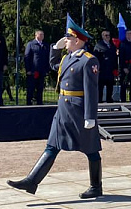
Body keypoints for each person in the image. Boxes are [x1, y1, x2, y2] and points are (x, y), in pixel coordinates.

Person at [7, 16, 102, 198]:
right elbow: (53, 65)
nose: (65, 41)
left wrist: (90, 116)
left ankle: (96, 186)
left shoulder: (88, 60)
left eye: (68, 38)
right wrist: (55, 49)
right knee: (52, 146)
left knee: (91, 149)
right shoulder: (67, 58)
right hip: (63, 111)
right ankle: (31, 181)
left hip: (79, 111)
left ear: (77, 40)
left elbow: (92, 90)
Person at [24, 29, 51, 105]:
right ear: (36, 35)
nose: (42, 36)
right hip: (32, 71)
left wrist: (47, 69)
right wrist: (28, 69)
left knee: (40, 89)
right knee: (31, 89)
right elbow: (27, 57)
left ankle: (40, 103)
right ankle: (29, 104)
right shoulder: (31, 44)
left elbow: (47, 58)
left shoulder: (45, 45)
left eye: (43, 35)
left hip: (42, 71)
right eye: (41, 34)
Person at [94, 30, 118, 103]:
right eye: (106, 35)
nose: (108, 37)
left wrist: (115, 68)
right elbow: (95, 57)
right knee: (100, 87)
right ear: (102, 36)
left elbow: (115, 58)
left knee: (110, 86)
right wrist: (97, 68)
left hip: (110, 70)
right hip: (102, 70)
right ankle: (99, 100)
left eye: (109, 35)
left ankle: (109, 99)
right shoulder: (99, 45)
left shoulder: (112, 46)